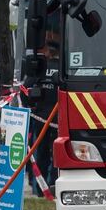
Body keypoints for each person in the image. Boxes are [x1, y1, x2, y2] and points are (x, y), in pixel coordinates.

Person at [31, 40, 60, 196]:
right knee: (57, 155)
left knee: (40, 155)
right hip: (59, 117)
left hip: (40, 116)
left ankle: (40, 190)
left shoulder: (40, 69)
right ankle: (54, 186)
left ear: (49, 52)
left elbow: (27, 87)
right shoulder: (63, 70)